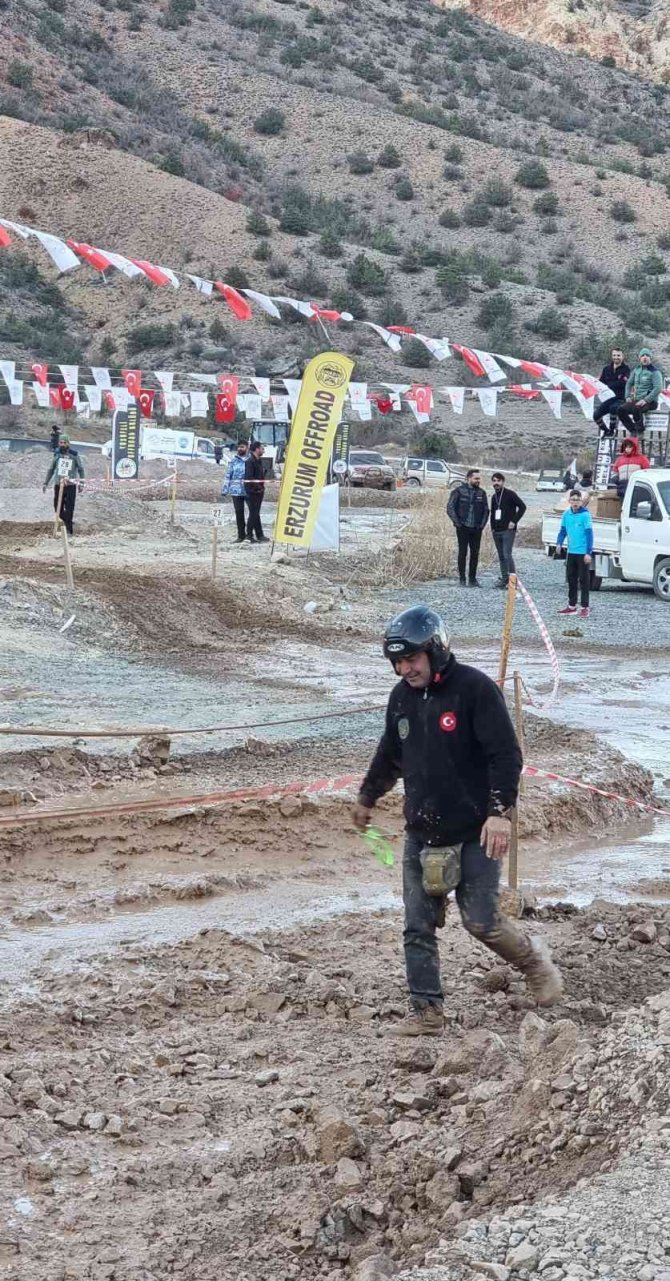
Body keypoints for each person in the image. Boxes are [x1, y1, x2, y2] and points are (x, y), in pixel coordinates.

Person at [352, 605, 563, 1036]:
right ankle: (427, 1012)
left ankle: (536, 964)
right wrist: (367, 797)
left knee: (480, 921)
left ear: (435, 651)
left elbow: (506, 755)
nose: (405, 669)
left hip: (475, 832)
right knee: (416, 923)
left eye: (411, 659)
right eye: (398, 661)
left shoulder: (476, 691)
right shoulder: (401, 698)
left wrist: (500, 813)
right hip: (421, 831)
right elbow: (390, 754)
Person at [447, 468, 489, 587]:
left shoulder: (481, 493)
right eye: (476, 478)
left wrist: (481, 525)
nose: (478, 481)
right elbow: (450, 508)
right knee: (462, 552)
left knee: (475, 553)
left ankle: (472, 579)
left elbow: (486, 510)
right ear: (469, 478)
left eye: (479, 478)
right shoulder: (458, 491)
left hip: (476, 528)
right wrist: (457, 523)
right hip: (463, 527)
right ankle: (462, 579)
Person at [555, 490, 594, 619]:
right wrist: (559, 543)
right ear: (569, 501)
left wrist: (588, 552)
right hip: (571, 552)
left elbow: (589, 534)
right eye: (573, 500)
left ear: (581, 501)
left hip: (582, 553)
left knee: (584, 580)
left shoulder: (585, 515)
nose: (575, 502)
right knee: (571, 579)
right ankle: (571, 606)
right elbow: (563, 531)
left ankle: (584, 607)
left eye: (577, 500)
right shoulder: (566, 514)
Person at [42, 433, 84, 537]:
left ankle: (69, 531)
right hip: (58, 484)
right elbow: (51, 469)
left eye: (64, 442)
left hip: (70, 485)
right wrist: (45, 483)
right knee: (58, 508)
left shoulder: (74, 455)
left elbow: (81, 469)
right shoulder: (57, 454)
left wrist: (81, 483)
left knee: (69, 508)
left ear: (68, 443)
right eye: (61, 442)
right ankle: (68, 521)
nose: (62, 444)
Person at [489, 472, 526, 588]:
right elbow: (493, 513)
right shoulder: (494, 497)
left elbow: (522, 507)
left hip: (508, 530)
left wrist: (514, 521)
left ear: (503, 482)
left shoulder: (510, 494)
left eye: (498, 481)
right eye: (494, 481)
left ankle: (513, 581)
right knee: (501, 556)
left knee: (507, 554)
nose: (496, 483)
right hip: (497, 531)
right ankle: (504, 579)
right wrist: (492, 528)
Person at [617, 348, 663, 435]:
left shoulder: (655, 372)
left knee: (636, 408)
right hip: (637, 400)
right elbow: (629, 384)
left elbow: (658, 388)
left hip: (651, 402)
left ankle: (640, 430)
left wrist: (645, 400)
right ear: (639, 358)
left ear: (650, 358)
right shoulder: (636, 370)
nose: (645, 357)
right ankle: (633, 430)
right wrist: (627, 396)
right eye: (642, 355)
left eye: (647, 355)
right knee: (621, 410)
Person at [594, 348, 630, 436]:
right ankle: (606, 431)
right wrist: (593, 382)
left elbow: (622, 383)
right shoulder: (606, 369)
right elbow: (601, 382)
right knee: (596, 415)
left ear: (622, 356)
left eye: (618, 355)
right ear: (611, 356)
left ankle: (612, 430)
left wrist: (609, 385)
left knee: (613, 408)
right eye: (614, 355)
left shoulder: (626, 369)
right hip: (608, 398)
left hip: (620, 398)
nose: (616, 357)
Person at [221, 440, 248, 542]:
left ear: (247, 448)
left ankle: (251, 535)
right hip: (235, 491)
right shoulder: (233, 461)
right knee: (239, 513)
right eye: (239, 447)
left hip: (248, 491)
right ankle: (241, 536)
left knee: (253, 514)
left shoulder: (250, 460)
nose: (240, 449)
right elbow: (228, 475)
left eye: (242, 447)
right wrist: (225, 489)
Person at [611, 435, 650, 499]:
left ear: (634, 447)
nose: (627, 449)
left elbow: (647, 472)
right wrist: (617, 481)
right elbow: (614, 472)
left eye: (630, 447)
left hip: (637, 488)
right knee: (623, 508)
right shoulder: (619, 459)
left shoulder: (642, 459)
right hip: (622, 488)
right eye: (626, 447)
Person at [244, 441, 268, 543]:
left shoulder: (259, 461)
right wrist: (258, 487)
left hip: (258, 492)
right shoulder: (250, 461)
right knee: (253, 513)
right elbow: (249, 478)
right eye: (262, 448)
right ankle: (249, 535)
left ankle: (260, 535)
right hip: (252, 492)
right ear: (257, 449)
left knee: (256, 514)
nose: (264, 450)